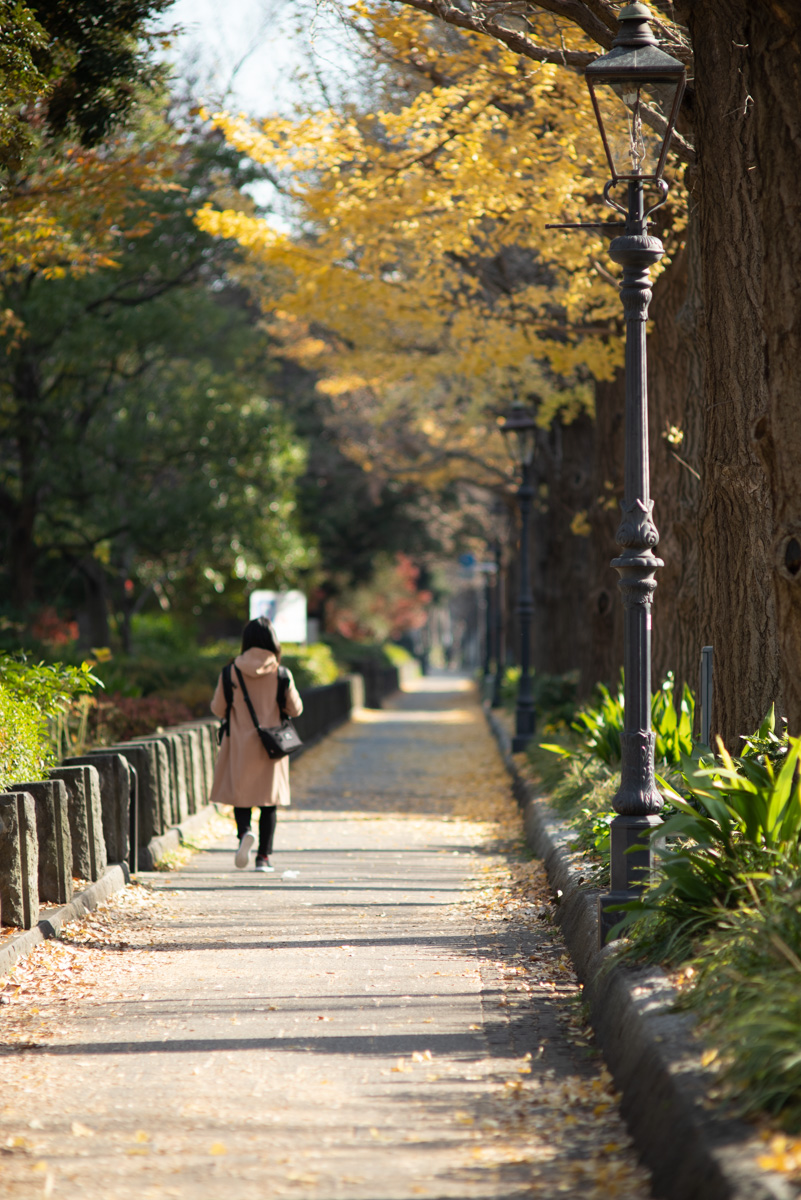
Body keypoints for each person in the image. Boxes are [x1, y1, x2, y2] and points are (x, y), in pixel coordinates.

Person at [209, 616, 303, 872]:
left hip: (239, 745)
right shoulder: (281, 673)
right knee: (268, 802)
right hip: (272, 746)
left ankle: (244, 835)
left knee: (242, 798)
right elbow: (295, 709)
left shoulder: (230, 671)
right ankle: (264, 858)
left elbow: (218, 708)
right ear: (273, 641)